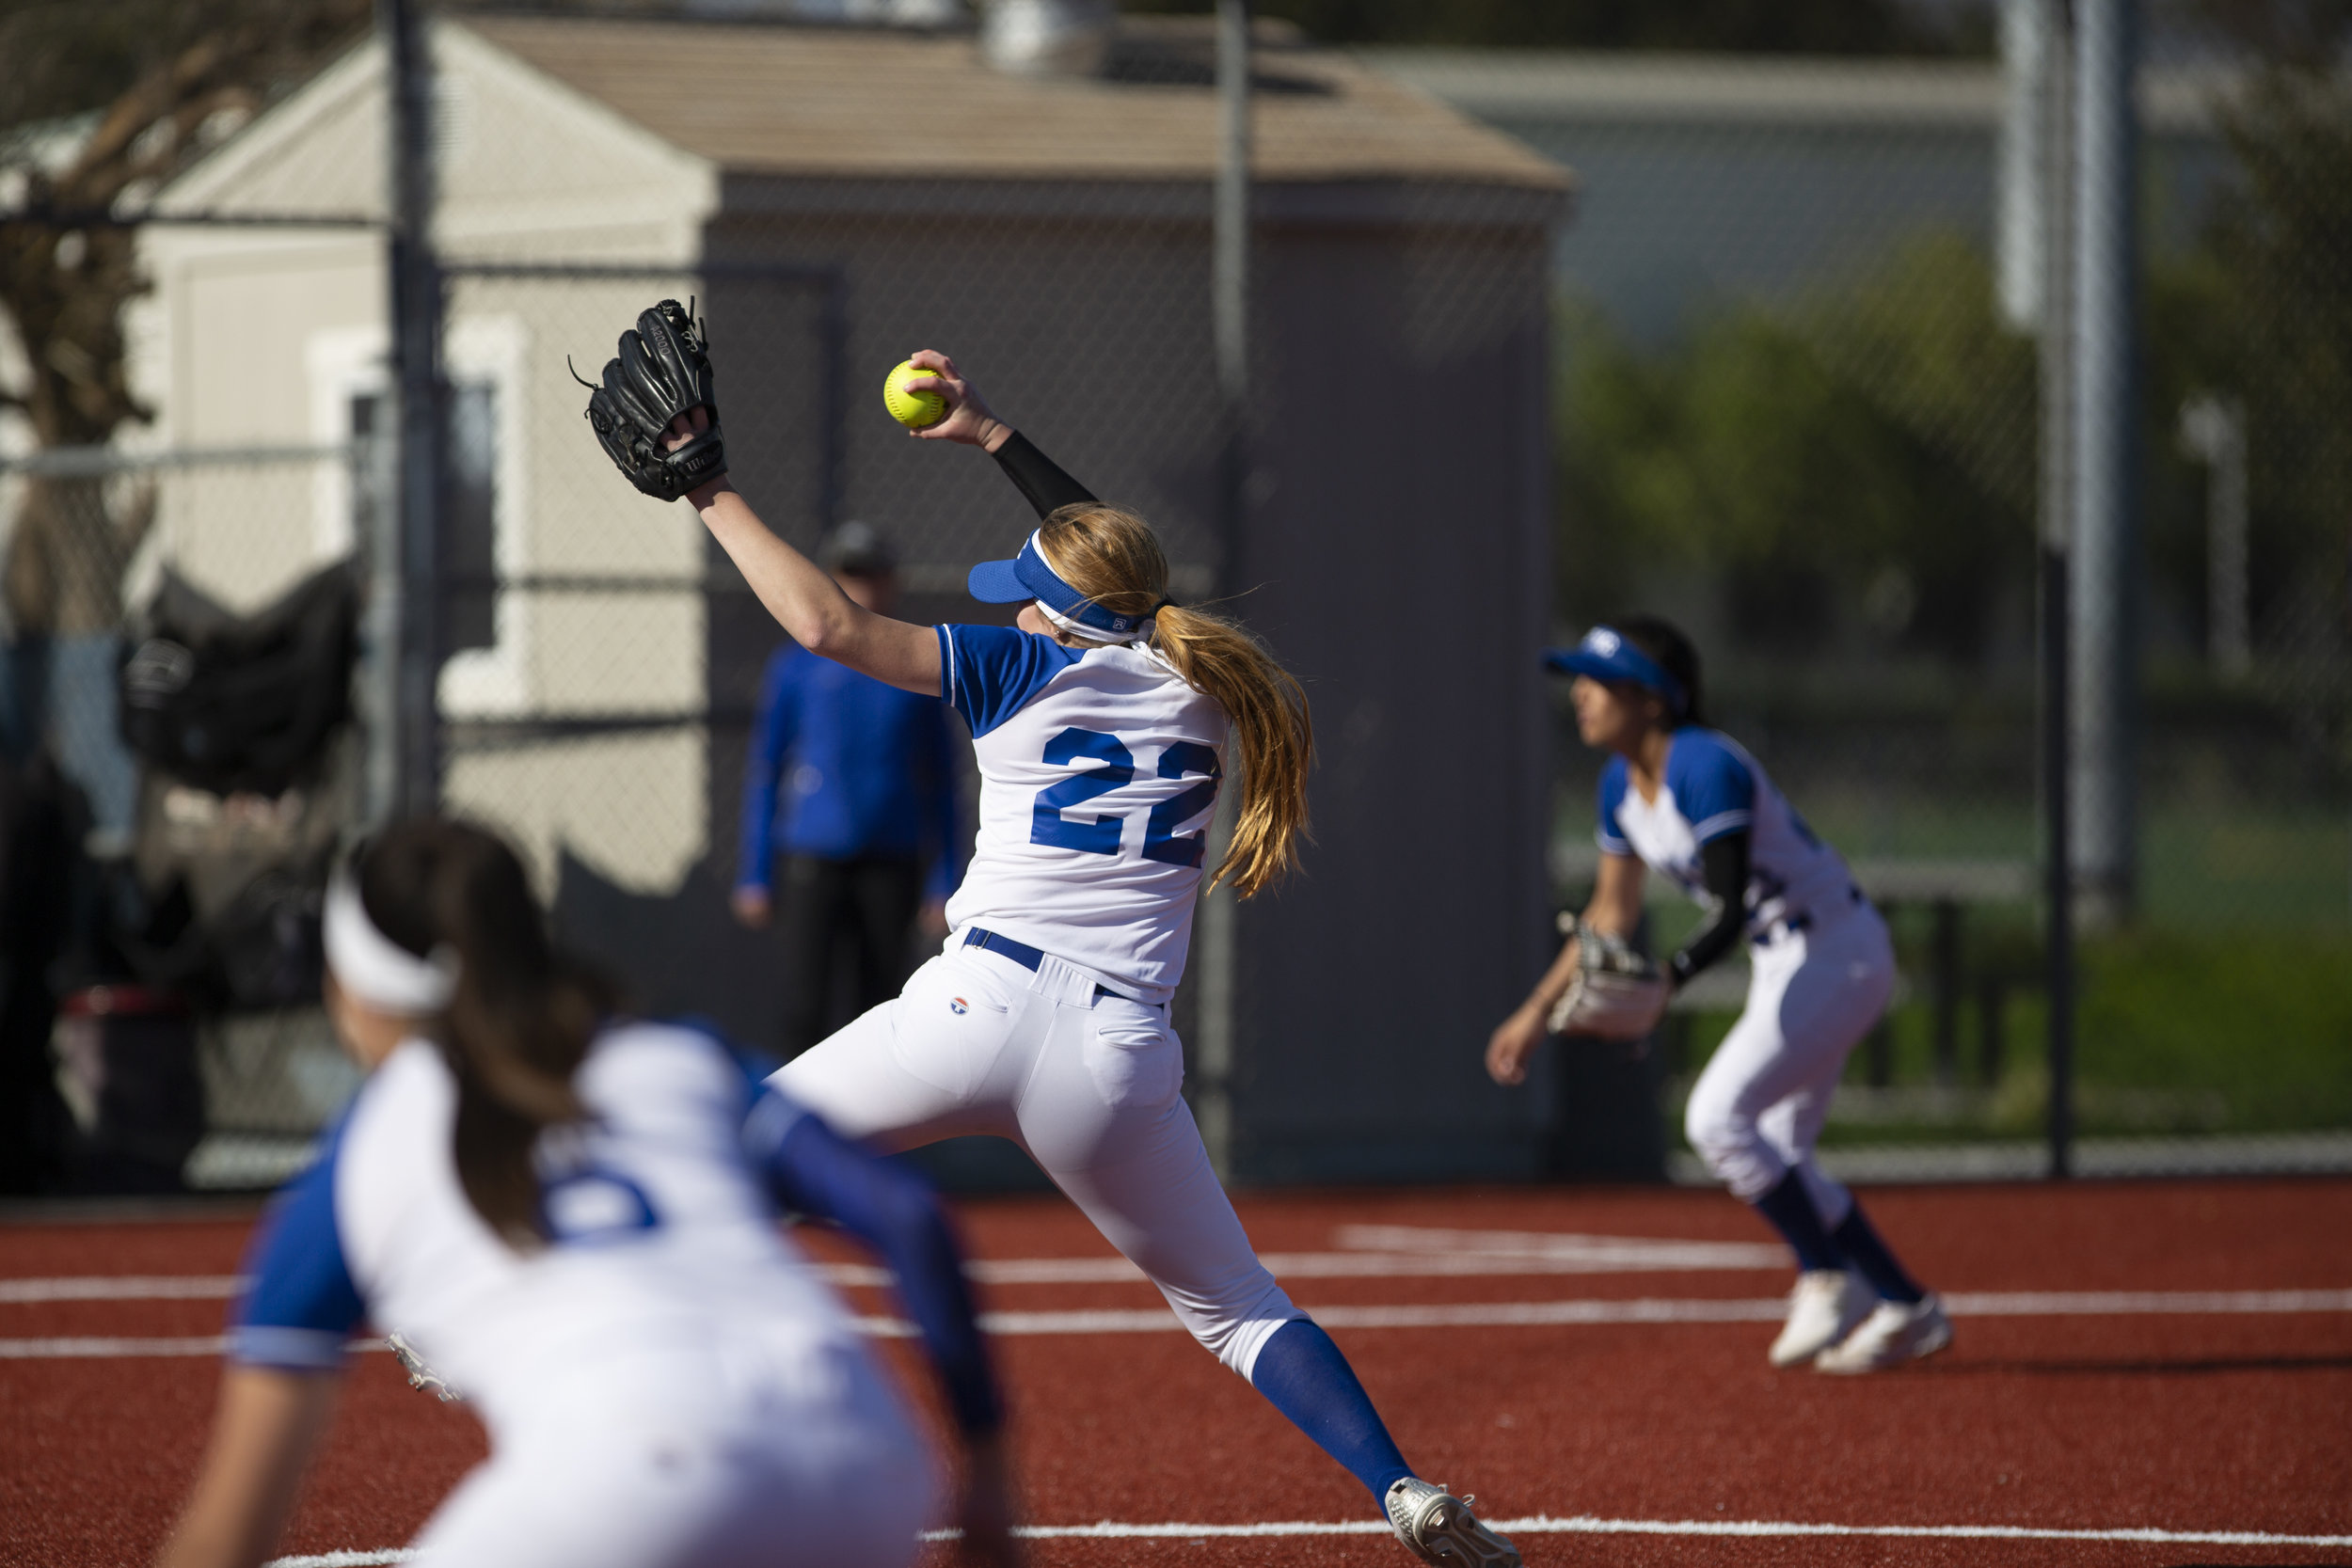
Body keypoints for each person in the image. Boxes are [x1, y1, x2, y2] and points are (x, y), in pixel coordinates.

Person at [655, 349, 1520, 1567]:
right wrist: (995, 433)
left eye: (1029, 589)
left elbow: (823, 622)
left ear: (1062, 613)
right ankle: (1401, 1484)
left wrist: (707, 487)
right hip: (1118, 1056)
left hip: (974, 1001)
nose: (1013, 602)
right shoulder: (1209, 682)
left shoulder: (1021, 663)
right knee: (1237, 1308)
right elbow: (1122, 568)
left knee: (725, 1147)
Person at [153, 818, 1014, 1568]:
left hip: (640, 1473)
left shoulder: (372, 1139)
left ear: (358, 990)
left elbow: (226, 1536)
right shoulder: (684, 1056)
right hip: (873, 1460)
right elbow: (909, 1215)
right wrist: (985, 1469)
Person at [1486, 617, 1952, 1374]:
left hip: (1838, 950)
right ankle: (1907, 1303)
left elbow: (1729, 907)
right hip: (1790, 958)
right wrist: (1535, 1012)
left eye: (1598, 680)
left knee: (1715, 1117)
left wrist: (1667, 979)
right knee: (1783, 1151)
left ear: (1653, 699)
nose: (1579, 693)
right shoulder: (1620, 786)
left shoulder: (1704, 764)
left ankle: (1828, 1274)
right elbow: (1611, 913)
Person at [734, 520, 963, 1058]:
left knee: (880, 1008)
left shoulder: (915, 664)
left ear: (892, 582)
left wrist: (946, 877)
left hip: (893, 858)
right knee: (804, 1006)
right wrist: (756, 871)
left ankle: (870, 1142)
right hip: (814, 853)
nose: (859, 588)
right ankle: (795, 1132)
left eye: (870, 575)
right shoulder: (796, 666)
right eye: (847, 575)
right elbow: (767, 767)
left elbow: (943, 780)